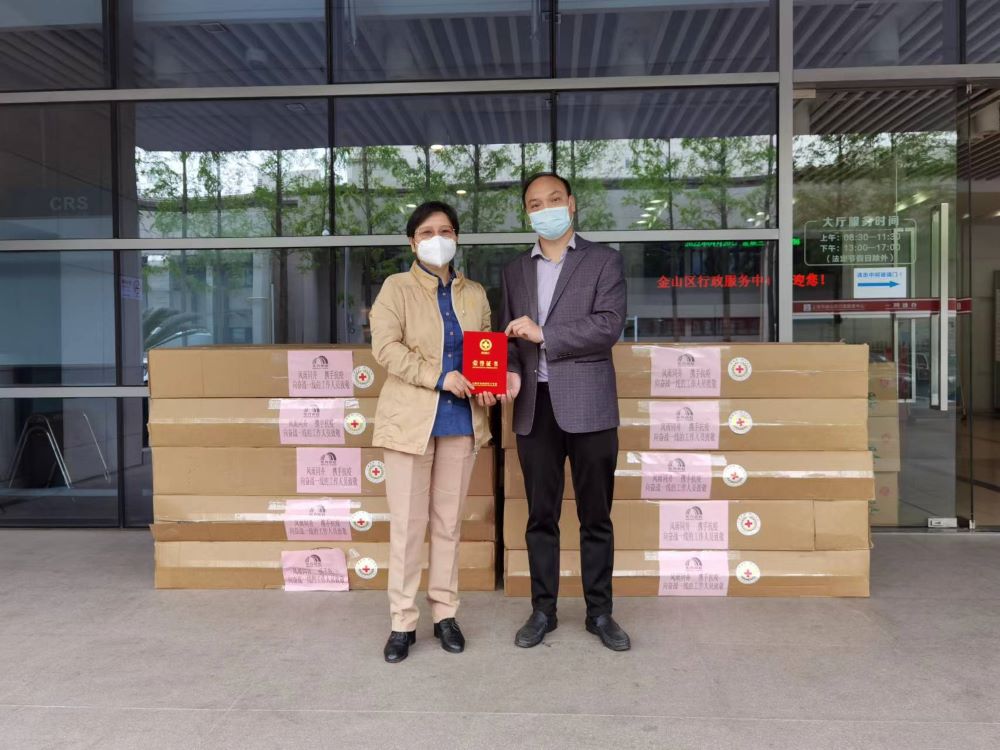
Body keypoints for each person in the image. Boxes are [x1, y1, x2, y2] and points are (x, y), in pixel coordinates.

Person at [501, 172, 630, 652]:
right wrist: (510, 370)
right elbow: (508, 334)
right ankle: (543, 611)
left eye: (554, 199)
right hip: (534, 408)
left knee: (596, 516)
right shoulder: (514, 270)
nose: (546, 209)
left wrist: (546, 335)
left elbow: (608, 326)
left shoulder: (603, 261)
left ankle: (600, 613)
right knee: (541, 516)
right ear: (527, 213)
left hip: (590, 406)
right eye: (536, 203)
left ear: (571, 204)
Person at [370, 201, 495, 664]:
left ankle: (445, 614)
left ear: (456, 238)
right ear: (412, 242)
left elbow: (485, 346)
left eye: (445, 230)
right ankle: (403, 621)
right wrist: (439, 377)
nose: (436, 239)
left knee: (447, 525)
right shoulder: (396, 288)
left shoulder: (475, 293)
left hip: (461, 422)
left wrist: (488, 383)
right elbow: (386, 348)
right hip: (410, 424)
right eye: (426, 232)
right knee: (407, 527)